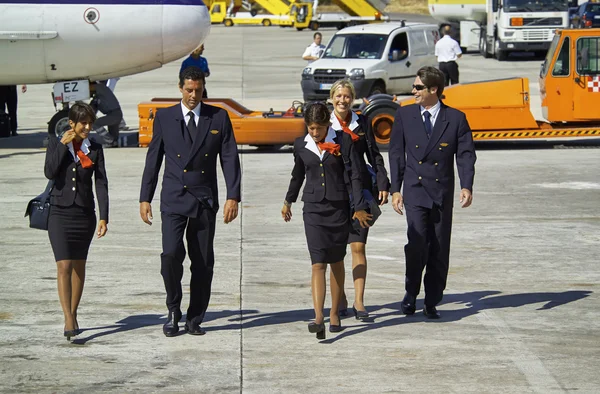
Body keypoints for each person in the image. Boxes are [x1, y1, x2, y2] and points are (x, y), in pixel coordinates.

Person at [139, 66, 241, 337]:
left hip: (203, 199)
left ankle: (195, 317)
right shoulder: (165, 117)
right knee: (171, 254)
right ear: (180, 88)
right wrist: (144, 197)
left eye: (198, 90)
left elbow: (229, 157)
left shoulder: (218, 117)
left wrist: (233, 195)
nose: (194, 95)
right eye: (189, 90)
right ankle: (173, 309)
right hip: (173, 197)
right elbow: (153, 159)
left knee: (203, 261)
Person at [388, 66, 476, 319]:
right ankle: (410, 293)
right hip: (415, 190)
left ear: (433, 89)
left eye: (418, 87)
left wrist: (467, 185)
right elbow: (396, 155)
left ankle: (432, 299)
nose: (413, 91)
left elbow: (466, 155)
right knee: (417, 244)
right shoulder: (404, 116)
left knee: (438, 247)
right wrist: (396, 189)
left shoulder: (456, 119)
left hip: (441, 191)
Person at [282, 102, 370, 340]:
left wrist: (359, 206)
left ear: (327, 125)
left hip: (338, 208)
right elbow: (297, 174)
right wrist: (288, 201)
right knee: (317, 262)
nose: (314, 132)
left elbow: (354, 175)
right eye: (310, 128)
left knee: (336, 261)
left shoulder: (343, 141)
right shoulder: (301, 144)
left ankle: (334, 313)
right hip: (312, 210)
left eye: (318, 128)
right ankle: (318, 317)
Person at [44, 102, 109, 340]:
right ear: (71, 123)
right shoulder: (55, 143)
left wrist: (104, 216)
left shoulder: (95, 148)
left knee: (79, 266)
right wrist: (62, 146)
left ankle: (73, 312)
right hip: (59, 213)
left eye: (90, 123)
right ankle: (68, 318)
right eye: (83, 122)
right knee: (64, 266)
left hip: (84, 214)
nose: (88, 127)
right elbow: (50, 172)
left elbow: (101, 183)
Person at [328, 80, 390, 320]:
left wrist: (383, 182)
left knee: (358, 246)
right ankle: (340, 296)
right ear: (332, 98)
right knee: (336, 252)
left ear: (352, 98)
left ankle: (359, 301)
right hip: (334, 194)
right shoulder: (326, 124)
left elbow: (374, 155)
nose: (342, 100)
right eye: (338, 96)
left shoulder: (361, 122)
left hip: (360, 193)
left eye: (346, 96)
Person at [89, 81, 123, 148]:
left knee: (95, 124)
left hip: (115, 115)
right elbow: (91, 111)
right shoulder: (96, 98)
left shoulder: (102, 88)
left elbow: (91, 87)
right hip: (113, 115)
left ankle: (109, 140)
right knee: (114, 139)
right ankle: (112, 142)